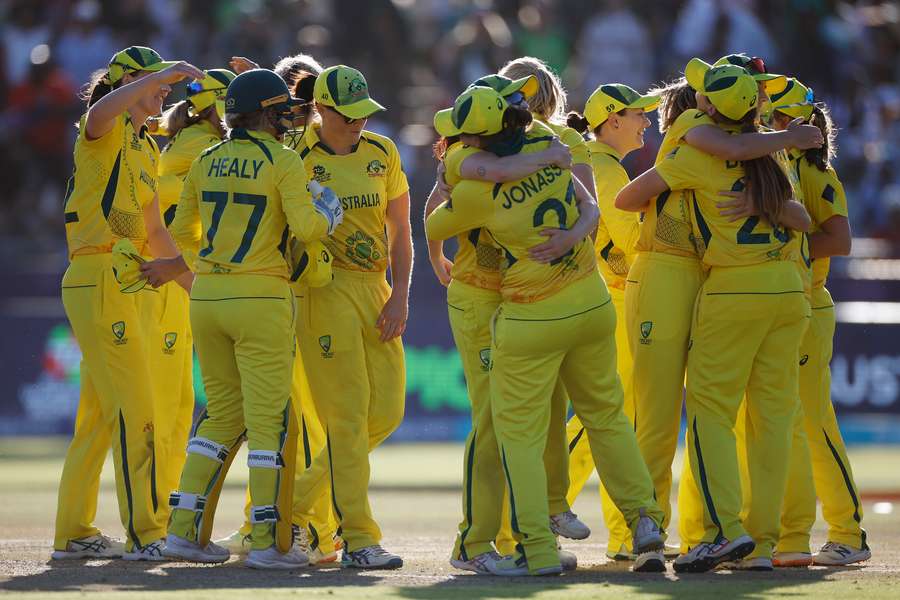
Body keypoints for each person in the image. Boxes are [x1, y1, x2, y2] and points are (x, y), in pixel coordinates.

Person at [427, 86, 667, 575]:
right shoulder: (552, 150)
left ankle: (532, 545)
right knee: (607, 418)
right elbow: (592, 211)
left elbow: (434, 225)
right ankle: (645, 519)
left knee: (514, 434)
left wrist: (449, 176)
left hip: (530, 312)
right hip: (591, 302)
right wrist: (570, 238)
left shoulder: (475, 186)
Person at [141, 68, 343, 570]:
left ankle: (183, 532)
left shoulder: (207, 158)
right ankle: (271, 544)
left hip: (207, 297)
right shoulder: (284, 160)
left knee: (221, 418)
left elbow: (181, 232)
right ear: (268, 114)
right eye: (282, 112)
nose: (289, 120)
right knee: (270, 422)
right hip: (262, 298)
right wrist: (328, 215)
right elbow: (306, 227)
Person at [616, 61, 810, 572]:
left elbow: (626, 197)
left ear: (707, 108)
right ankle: (761, 545)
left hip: (726, 286)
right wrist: (763, 193)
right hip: (787, 290)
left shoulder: (696, 148)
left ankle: (707, 531)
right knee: (770, 423)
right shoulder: (773, 156)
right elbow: (802, 218)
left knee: (701, 415)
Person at [426, 74, 594, 573]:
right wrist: (437, 256)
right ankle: (474, 545)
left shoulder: (507, 155)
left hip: (511, 298)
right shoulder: (467, 162)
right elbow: (436, 213)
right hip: (480, 296)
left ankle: (526, 537)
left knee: (520, 422)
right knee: (494, 422)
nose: (524, 108)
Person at [52, 46, 203, 561]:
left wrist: (194, 288)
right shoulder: (103, 130)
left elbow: (156, 230)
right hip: (99, 276)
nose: (164, 91)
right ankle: (148, 534)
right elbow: (99, 112)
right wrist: (160, 74)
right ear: (127, 83)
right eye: (154, 82)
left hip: (127, 278)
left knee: (98, 417)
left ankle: (73, 531)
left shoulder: (144, 146)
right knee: (138, 412)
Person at [287, 65, 412, 569]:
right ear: (322, 110)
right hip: (322, 292)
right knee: (345, 421)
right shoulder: (295, 156)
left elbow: (401, 229)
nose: (361, 123)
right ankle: (359, 539)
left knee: (386, 414)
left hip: (376, 289)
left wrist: (400, 292)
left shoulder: (383, 152)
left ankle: (286, 509)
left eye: (365, 113)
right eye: (350, 115)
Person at [766, 78, 869, 567]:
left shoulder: (814, 169)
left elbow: (840, 240)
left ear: (787, 123)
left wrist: (778, 249)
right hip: (783, 303)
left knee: (814, 420)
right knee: (782, 422)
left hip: (808, 303)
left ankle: (849, 532)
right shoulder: (780, 161)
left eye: (770, 113)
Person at [564, 82, 661, 560]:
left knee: (610, 421)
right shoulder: (603, 167)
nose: (647, 121)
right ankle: (531, 511)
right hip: (617, 301)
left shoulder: (603, 164)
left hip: (612, 299)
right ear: (612, 120)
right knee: (601, 421)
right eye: (638, 114)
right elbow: (631, 242)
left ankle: (623, 535)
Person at [150, 67, 236, 520]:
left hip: (178, 277)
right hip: (183, 281)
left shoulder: (184, 139)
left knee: (183, 406)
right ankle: (163, 521)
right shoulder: (209, 146)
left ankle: (168, 517)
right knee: (179, 408)